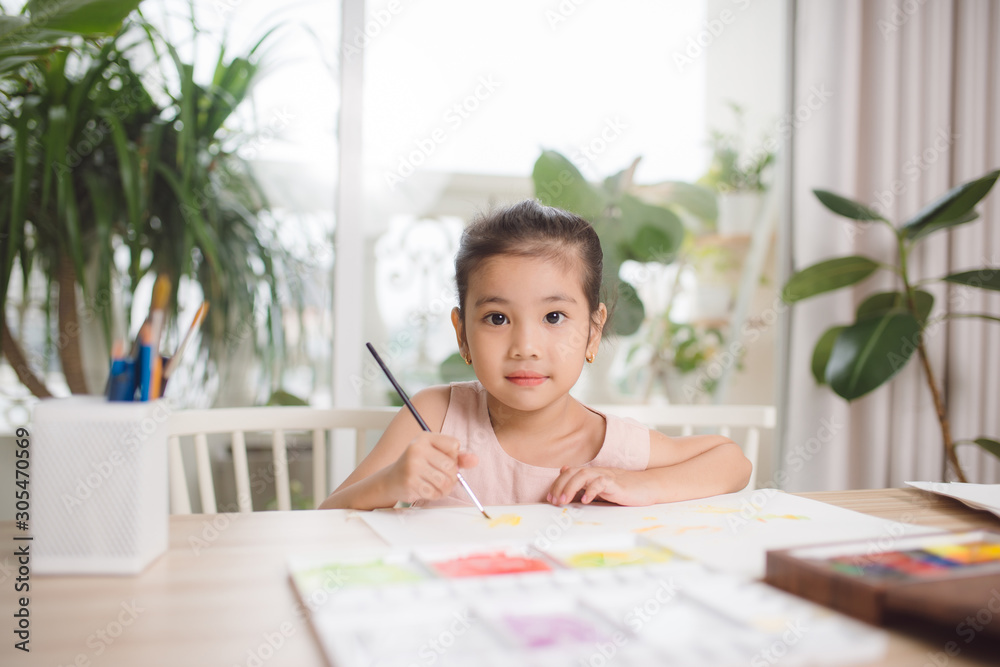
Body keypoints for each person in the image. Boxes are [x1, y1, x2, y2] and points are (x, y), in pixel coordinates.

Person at [320, 200, 751, 510]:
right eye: (496, 319)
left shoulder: (609, 446)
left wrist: (644, 486)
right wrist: (390, 483)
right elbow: (324, 520)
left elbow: (733, 462)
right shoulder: (436, 415)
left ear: (593, 333)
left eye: (554, 316)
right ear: (462, 334)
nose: (525, 347)